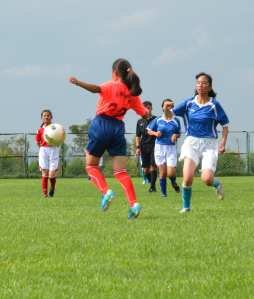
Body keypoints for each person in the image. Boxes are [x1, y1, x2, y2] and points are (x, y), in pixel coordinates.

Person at [69, 58, 148, 219]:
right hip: (118, 129)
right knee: (121, 172)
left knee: (91, 166)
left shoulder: (111, 85)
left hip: (101, 125)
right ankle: (134, 204)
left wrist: (79, 83)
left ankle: (106, 192)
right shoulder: (132, 93)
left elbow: (95, 89)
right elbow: (144, 114)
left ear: (114, 73)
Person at [172, 73, 229, 213]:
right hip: (192, 143)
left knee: (207, 179)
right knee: (187, 177)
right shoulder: (189, 103)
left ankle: (216, 185)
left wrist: (223, 144)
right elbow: (171, 113)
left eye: (204, 83)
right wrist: (167, 108)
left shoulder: (214, 105)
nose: (200, 85)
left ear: (209, 87)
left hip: (209, 144)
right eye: (198, 82)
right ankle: (186, 207)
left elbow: (225, 124)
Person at [147, 99, 182, 197]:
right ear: (163, 107)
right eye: (166, 105)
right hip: (159, 148)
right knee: (162, 173)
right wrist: (155, 133)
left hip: (171, 148)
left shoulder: (176, 120)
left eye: (170, 106)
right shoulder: (158, 120)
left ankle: (173, 183)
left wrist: (175, 135)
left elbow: (179, 133)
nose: (168, 107)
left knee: (171, 173)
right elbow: (149, 130)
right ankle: (164, 194)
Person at [135, 101, 159, 192]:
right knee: (146, 170)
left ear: (151, 109)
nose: (146, 110)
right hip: (144, 146)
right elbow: (138, 135)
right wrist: (138, 147)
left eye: (148, 108)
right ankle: (153, 183)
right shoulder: (139, 121)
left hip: (155, 145)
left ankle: (152, 187)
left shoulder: (156, 119)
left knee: (153, 166)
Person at [35, 110, 59, 197]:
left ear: (51, 117)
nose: (46, 117)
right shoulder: (40, 130)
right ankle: (45, 194)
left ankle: (52, 188)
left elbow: (60, 139)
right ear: (41, 118)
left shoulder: (55, 128)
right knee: (45, 173)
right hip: (43, 150)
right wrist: (43, 148)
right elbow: (38, 142)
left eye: (48, 115)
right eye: (44, 116)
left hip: (54, 150)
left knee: (51, 174)